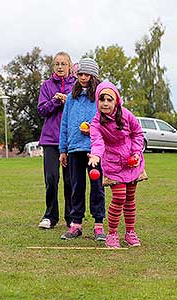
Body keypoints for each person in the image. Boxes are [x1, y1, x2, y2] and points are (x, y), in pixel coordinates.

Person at [88, 81, 147, 248]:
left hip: (132, 161)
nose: (105, 103)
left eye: (109, 99)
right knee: (119, 197)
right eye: (102, 99)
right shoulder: (96, 123)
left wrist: (136, 152)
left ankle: (130, 233)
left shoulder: (127, 115)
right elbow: (97, 142)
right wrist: (96, 155)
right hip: (113, 163)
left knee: (130, 198)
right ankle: (112, 234)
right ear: (97, 101)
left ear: (116, 101)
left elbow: (137, 134)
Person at [59, 58, 106, 241]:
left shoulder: (100, 97)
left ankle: (98, 226)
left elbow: (107, 121)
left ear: (94, 75)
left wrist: (92, 129)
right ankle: (76, 225)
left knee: (97, 187)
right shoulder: (71, 97)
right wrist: (63, 149)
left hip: (95, 150)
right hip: (74, 149)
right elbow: (64, 124)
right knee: (76, 187)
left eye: (87, 74)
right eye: (80, 74)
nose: (83, 77)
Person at [37, 51, 76, 229]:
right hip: (51, 140)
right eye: (57, 64)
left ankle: (72, 218)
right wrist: (55, 100)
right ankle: (50, 216)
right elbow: (42, 110)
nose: (60, 67)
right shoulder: (46, 85)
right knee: (51, 178)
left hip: (71, 140)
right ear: (53, 67)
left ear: (70, 66)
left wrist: (67, 101)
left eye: (64, 64)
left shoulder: (77, 85)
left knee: (70, 180)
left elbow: (80, 109)